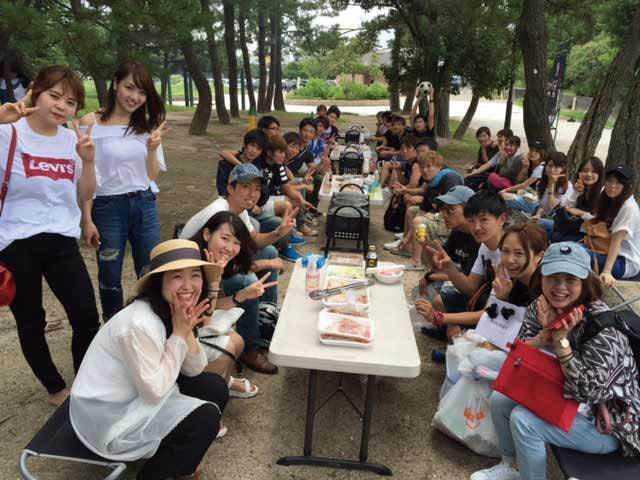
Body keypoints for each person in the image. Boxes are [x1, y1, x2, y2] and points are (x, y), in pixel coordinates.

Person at [471, 241, 640, 480]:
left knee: (524, 421)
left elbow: (586, 392)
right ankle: (509, 465)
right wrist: (544, 336)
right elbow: (517, 357)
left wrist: (561, 341)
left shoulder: (602, 327)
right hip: (563, 395)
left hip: (606, 423)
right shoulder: (541, 306)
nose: (560, 287)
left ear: (585, 282)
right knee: (500, 399)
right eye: (553, 278)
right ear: (542, 278)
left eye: (570, 279)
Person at [70, 239, 230, 480]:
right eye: (177, 276)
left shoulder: (172, 309)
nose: (188, 286)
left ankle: (179, 460)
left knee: (213, 386)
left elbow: (195, 369)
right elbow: (153, 393)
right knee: (205, 419)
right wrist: (179, 334)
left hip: (138, 391)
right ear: (159, 282)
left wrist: (186, 331)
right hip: (108, 415)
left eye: (195, 275)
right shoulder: (139, 323)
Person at [0, 65, 100, 407]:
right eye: (54, 96)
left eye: (70, 102)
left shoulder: (73, 141)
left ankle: (86, 381)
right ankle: (55, 388)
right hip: (15, 242)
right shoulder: (8, 133)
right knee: (31, 320)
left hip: (61, 241)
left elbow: (86, 193)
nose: (61, 106)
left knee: (86, 314)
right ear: (35, 93)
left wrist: (88, 162)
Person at [79, 60, 168, 320]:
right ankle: (113, 325)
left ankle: (150, 322)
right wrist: (87, 219)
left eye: (142, 92)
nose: (135, 97)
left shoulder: (147, 126)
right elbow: (86, 175)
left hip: (144, 203)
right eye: (130, 87)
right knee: (109, 274)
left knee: (151, 270)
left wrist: (152, 149)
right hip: (108, 207)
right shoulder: (91, 122)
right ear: (116, 83)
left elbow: (151, 175)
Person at [180, 165, 285, 373]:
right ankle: (250, 348)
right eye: (245, 187)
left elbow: (252, 242)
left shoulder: (239, 210)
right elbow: (231, 261)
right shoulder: (219, 212)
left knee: (270, 251)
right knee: (248, 280)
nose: (252, 194)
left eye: (256, 188)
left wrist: (279, 232)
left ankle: (266, 319)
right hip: (194, 268)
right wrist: (266, 264)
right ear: (230, 188)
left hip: (215, 262)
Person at [422, 223, 546, 363]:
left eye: (519, 253)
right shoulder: (506, 276)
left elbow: (533, 337)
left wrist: (440, 318)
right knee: (462, 342)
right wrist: (502, 298)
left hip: (534, 356)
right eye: (505, 251)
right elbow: (490, 313)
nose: (510, 260)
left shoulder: (546, 287)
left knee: (468, 347)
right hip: (511, 342)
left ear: (538, 256)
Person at [387, 151, 463, 268]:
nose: (425, 170)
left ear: (438, 166)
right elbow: (423, 209)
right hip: (440, 217)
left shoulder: (450, 179)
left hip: (453, 222)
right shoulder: (431, 181)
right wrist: (408, 237)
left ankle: (416, 262)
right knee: (412, 211)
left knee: (419, 222)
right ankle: (408, 246)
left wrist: (432, 216)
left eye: (429, 166)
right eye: (422, 167)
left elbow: (455, 209)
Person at [584, 164, 640, 286]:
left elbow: (617, 240)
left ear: (627, 186)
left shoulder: (629, 207)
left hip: (624, 262)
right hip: (605, 250)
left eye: (618, 182)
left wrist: (607, 271)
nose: (612, 185)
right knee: (566, 243)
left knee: (575, 253)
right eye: (609, 180)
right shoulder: (610, 199)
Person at [549, 156, 604, 243]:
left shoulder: (603, 193)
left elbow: (600, 223)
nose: (589, 174)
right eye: (585, 171)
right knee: (544, 225)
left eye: (593, 172)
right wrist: (576, 193)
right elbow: (564, 209)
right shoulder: (579, 188)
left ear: (600, 175)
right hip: (573, 229)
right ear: (579, 173)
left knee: (556, 237)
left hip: (589, 236)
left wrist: (581, 213)